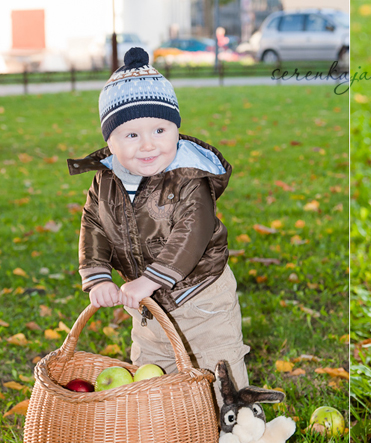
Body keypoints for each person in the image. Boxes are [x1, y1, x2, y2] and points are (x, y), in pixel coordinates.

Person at [68, 47, 249, 407]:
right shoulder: (106, 182)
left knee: (220, 370)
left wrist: (150, 279)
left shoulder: (190, 180)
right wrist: (98, 275)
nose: (148, 144)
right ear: (110, 141)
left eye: (159, 129)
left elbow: (191, 234)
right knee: (152, 375)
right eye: (131, 135)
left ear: (176, 130)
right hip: (149, 309)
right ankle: (169, 439)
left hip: (202, 299)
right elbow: (93, 226)